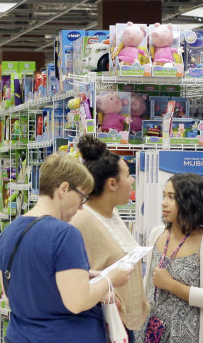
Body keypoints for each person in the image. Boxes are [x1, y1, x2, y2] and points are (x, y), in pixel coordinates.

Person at [0, 153, 133, 343]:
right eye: (81, 197)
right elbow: (77, 302)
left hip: (20, 335)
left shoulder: (10, 231)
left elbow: (12, 292)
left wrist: (84, 275)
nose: (81, 207)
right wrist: (110, 278)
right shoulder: (65, 234)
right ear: (64, 189)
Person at [70, 135, 149, 341]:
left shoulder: (113, 213)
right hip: (98, 326)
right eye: (128, 175)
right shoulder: (81, 220)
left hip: (121, 325)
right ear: (112, 183)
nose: (132, 180)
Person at [137, 173, 203, 343]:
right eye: (164, 196)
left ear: (191, 201)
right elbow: (148, 285)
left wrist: (171, 285)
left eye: (172, 197)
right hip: (152, 331)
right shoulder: (157, 234)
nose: (164, 203)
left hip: (188, 336)